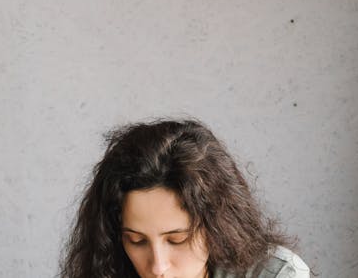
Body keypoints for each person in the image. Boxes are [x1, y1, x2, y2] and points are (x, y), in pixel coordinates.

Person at [60, 118, 310, 278]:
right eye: (136, 241)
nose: (157, 267)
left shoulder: (277, 274)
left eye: (177, 240)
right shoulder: (112, 268)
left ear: (218, 228)